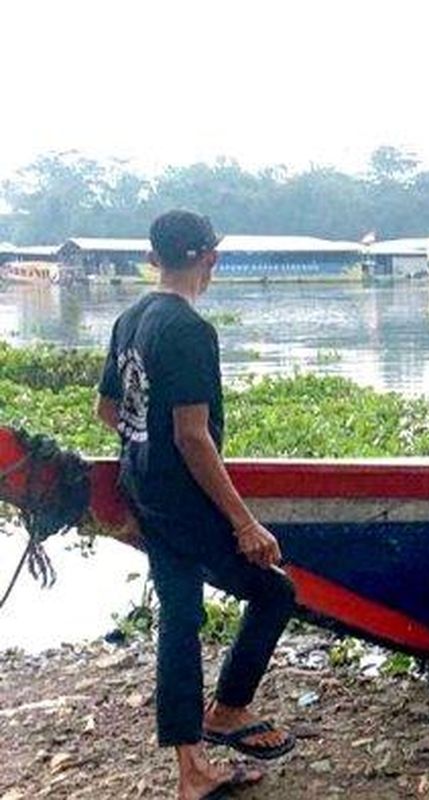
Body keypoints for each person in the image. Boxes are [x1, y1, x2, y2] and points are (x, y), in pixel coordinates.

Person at [95, 210, 296, 800]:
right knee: (273, 590)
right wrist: (244, 521)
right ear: (210, 258)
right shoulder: (188, 329)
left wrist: (143, 464)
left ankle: (192, 770)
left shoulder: (130, 319)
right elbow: (191, 435)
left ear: (153, 258)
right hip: (184, 502)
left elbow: (109, 411)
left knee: (180, 619)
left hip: (146, 492)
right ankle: (228, 710)